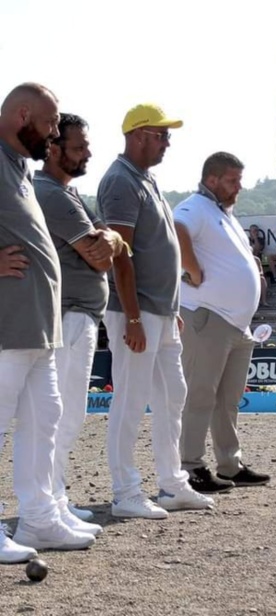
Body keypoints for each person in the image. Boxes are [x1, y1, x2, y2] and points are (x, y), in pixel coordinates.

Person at [98, 103, 214, 517]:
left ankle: (172, 484)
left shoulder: (145, 179)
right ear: (138, 134)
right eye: (162, 134)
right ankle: (125, 491)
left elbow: (156, 251)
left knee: (172, 396)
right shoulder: (120, 181)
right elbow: (120, 253)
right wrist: (132, 315)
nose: (168, 142)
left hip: (159, 311)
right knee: (130, 399)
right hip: (138, 311)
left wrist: (169, 309)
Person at [0, 83, 97, 561]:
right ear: (23, 115)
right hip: (7, 324)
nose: (56, 133)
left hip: (39, 323)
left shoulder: (18, 166)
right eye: (51, 123)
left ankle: (40, 519)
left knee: (45, 422)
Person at [34, 113, 124, 531]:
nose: (88, 153)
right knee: (62, 415)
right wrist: (114, 237)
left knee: (64, 414)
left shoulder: (62, 193)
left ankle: (55, 498)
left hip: (75, 313)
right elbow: (100, 254)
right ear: (53, 149)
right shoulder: (52, 194)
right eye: (79, 146)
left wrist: (105, 235)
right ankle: (48, 505)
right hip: (69, 314)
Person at [173, 151, 271, 494]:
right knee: (200, 393)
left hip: (234, 322)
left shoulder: (222, 213)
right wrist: (192, 271)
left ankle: (230, 464)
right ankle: (190, 465)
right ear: (211, 179)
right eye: (232, 180)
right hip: (207, 316)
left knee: (228, 399)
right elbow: (176, 228)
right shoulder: (196, 207)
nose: (238, 187)